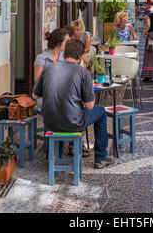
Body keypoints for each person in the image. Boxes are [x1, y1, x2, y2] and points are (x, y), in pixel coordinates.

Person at [32, 39, 114, 169]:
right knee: (101, 111)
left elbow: (35, 96)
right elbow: (90, 106)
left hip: (49, 121)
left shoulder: (48, 68)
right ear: (81, 56)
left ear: (64, 54)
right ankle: (101, 158)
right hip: (73, 122)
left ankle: (55, 159)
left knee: (60, 113)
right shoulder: (83, 72)